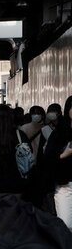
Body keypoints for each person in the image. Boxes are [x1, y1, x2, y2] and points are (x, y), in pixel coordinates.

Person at [43, 95, 72, 230]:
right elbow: (48, 157)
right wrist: (63, 155)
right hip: (65, 185)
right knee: (65, 224)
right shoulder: (60, 131)